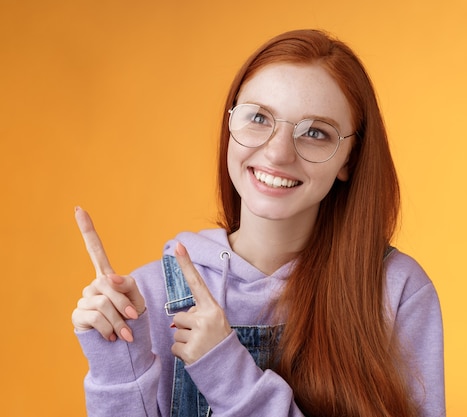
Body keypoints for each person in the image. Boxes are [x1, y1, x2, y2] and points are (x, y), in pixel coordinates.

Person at [72, 29, 445, 417]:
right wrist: (118, 364)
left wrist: (227, 373)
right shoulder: (150, 295)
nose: (278, 152)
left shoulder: (394, 290)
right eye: (259, 118)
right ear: (229, 126)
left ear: (349, 159)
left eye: (316, 133)